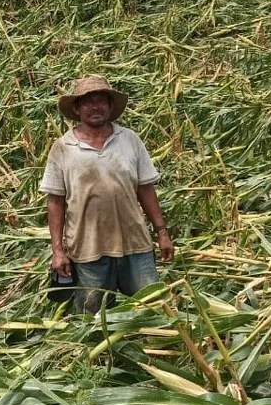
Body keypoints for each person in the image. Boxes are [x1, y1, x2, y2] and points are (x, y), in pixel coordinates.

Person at [40, 76, 174, 313]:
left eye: (101, 100)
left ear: (110, 107)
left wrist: (162, 232)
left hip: (134, 242)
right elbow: (55, 201)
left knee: (153, 305)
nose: (95, 106)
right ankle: (99, 350)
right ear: (77, 108)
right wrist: (58, 251)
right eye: (88, 101)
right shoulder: (63, 147)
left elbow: (145, 188)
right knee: (92, 314)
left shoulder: (129, 140)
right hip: (87, 247)